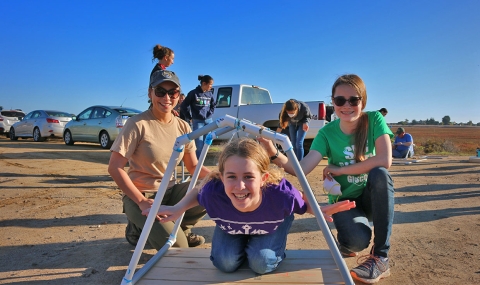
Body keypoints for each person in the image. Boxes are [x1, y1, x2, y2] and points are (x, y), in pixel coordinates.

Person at [146, 138, 355, 274]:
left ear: (264, 178)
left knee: (261, 263)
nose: (240, 186)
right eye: (231, 177)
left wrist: (317, 210)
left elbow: (301, 202)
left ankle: (263, 244)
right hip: (233, 224)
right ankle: (244, 239)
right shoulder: (214, 192)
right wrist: (177, 208)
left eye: (248, 176)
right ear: (221, 177)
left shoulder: (280, 194)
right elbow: (199, 192)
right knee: (224, 263)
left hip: (270, 223)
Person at [258, 74, 394, 284]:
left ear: (362, 101)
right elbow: (301, 169)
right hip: (344, 201)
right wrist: (274, 153)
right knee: (357, 242)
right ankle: (348, 241)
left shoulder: (374, 119)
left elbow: (385, 159)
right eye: (340, 100)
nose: (346, 105)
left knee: (380, 174)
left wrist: (339, 170)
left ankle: (381, 257)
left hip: (371, 196)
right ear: (333, 102)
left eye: (353, 100)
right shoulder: (326, 133)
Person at [108, 69, 210, 249]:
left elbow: (194, 166)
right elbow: (115, 167)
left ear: (179, 95)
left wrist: (224, 178)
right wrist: (141, 201)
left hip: (170, 193)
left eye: (173, 93)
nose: (167, 98)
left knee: (211, 189)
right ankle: (137, 229)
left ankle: (182, 228)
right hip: (143, 196)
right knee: (178, 248)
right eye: (160, 91)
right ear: (150, 93)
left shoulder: (183, 126)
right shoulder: (137, 124)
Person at [181, 75, 216, 158]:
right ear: (204, 83)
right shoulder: (193, 93)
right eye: (210, 84)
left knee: (207, 142)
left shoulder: (210, 94)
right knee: (199, 144)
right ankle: (198, 164)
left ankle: (202, 161)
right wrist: (189, 117)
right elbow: (183, 106)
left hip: (208, 121)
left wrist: (210, 113)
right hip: (197, 121)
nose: (211, 86)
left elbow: (213, 105)